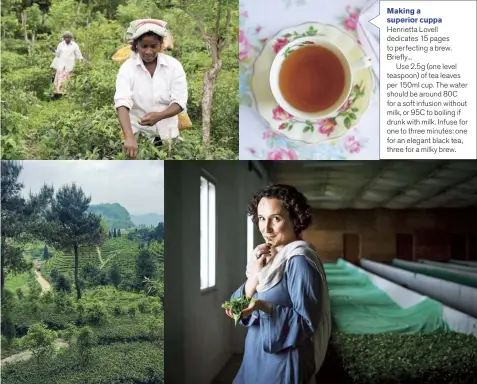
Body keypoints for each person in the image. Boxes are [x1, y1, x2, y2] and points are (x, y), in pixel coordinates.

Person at [225, 184, 331, 384]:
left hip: (284, 360)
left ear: (295, 220)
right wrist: (255, 276)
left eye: (276, 218)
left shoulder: (299, 260)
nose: (266, 228)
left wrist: (262, 306)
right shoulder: (266, 259)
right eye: (262, 219)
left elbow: (307, 322)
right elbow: (236, 306)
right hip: (255, 354)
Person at [113, 19, 188, 159]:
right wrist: (129, 137)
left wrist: (160, 116)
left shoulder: (174, 66)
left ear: (161, 45)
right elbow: (122, 102)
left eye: (153, 46)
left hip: (168, 135)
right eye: (144, 46)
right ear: (136, 46)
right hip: (137, 135)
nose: (148, 51)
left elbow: (179, 101)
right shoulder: (128, 68)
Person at [50, 31, 87, 98]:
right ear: (64, 38)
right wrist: (54, 51)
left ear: (71, 38)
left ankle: (66, 95)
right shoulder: (60, 45)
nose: (67, 39)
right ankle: (57, 95)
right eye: (66, 37)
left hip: (69, 66)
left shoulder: (75, 45)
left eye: (68, 37)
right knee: (59, 80)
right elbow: (58, 54)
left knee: (67, 80)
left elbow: (78, 55)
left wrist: (83, 60)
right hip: (61, 65)